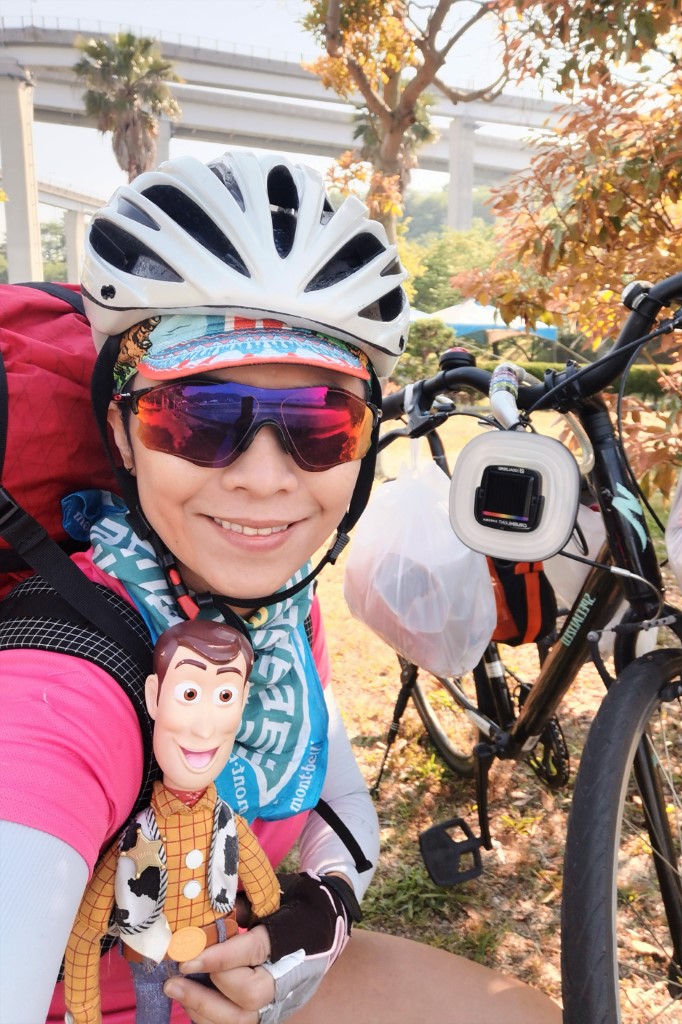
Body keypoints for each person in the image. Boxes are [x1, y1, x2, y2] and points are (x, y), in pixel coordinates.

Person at [0, 150, 562, 1024]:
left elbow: (338, 801)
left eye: (321, 423)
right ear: (120, 431)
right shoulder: (60, 679)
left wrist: (313, 921)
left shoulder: (271, 608)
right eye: (198, 414)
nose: (266, 482)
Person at [63, 620, 281, 1024]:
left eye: (226, 696)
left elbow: (268, 897)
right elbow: (87, 929)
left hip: (218, 950)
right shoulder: (138, 836)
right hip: (150, 955)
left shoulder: (226, 823)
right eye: (190, 694)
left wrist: (292, 935)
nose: (204, 725)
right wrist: (85, 1011)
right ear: (155, 697)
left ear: (244, 700)